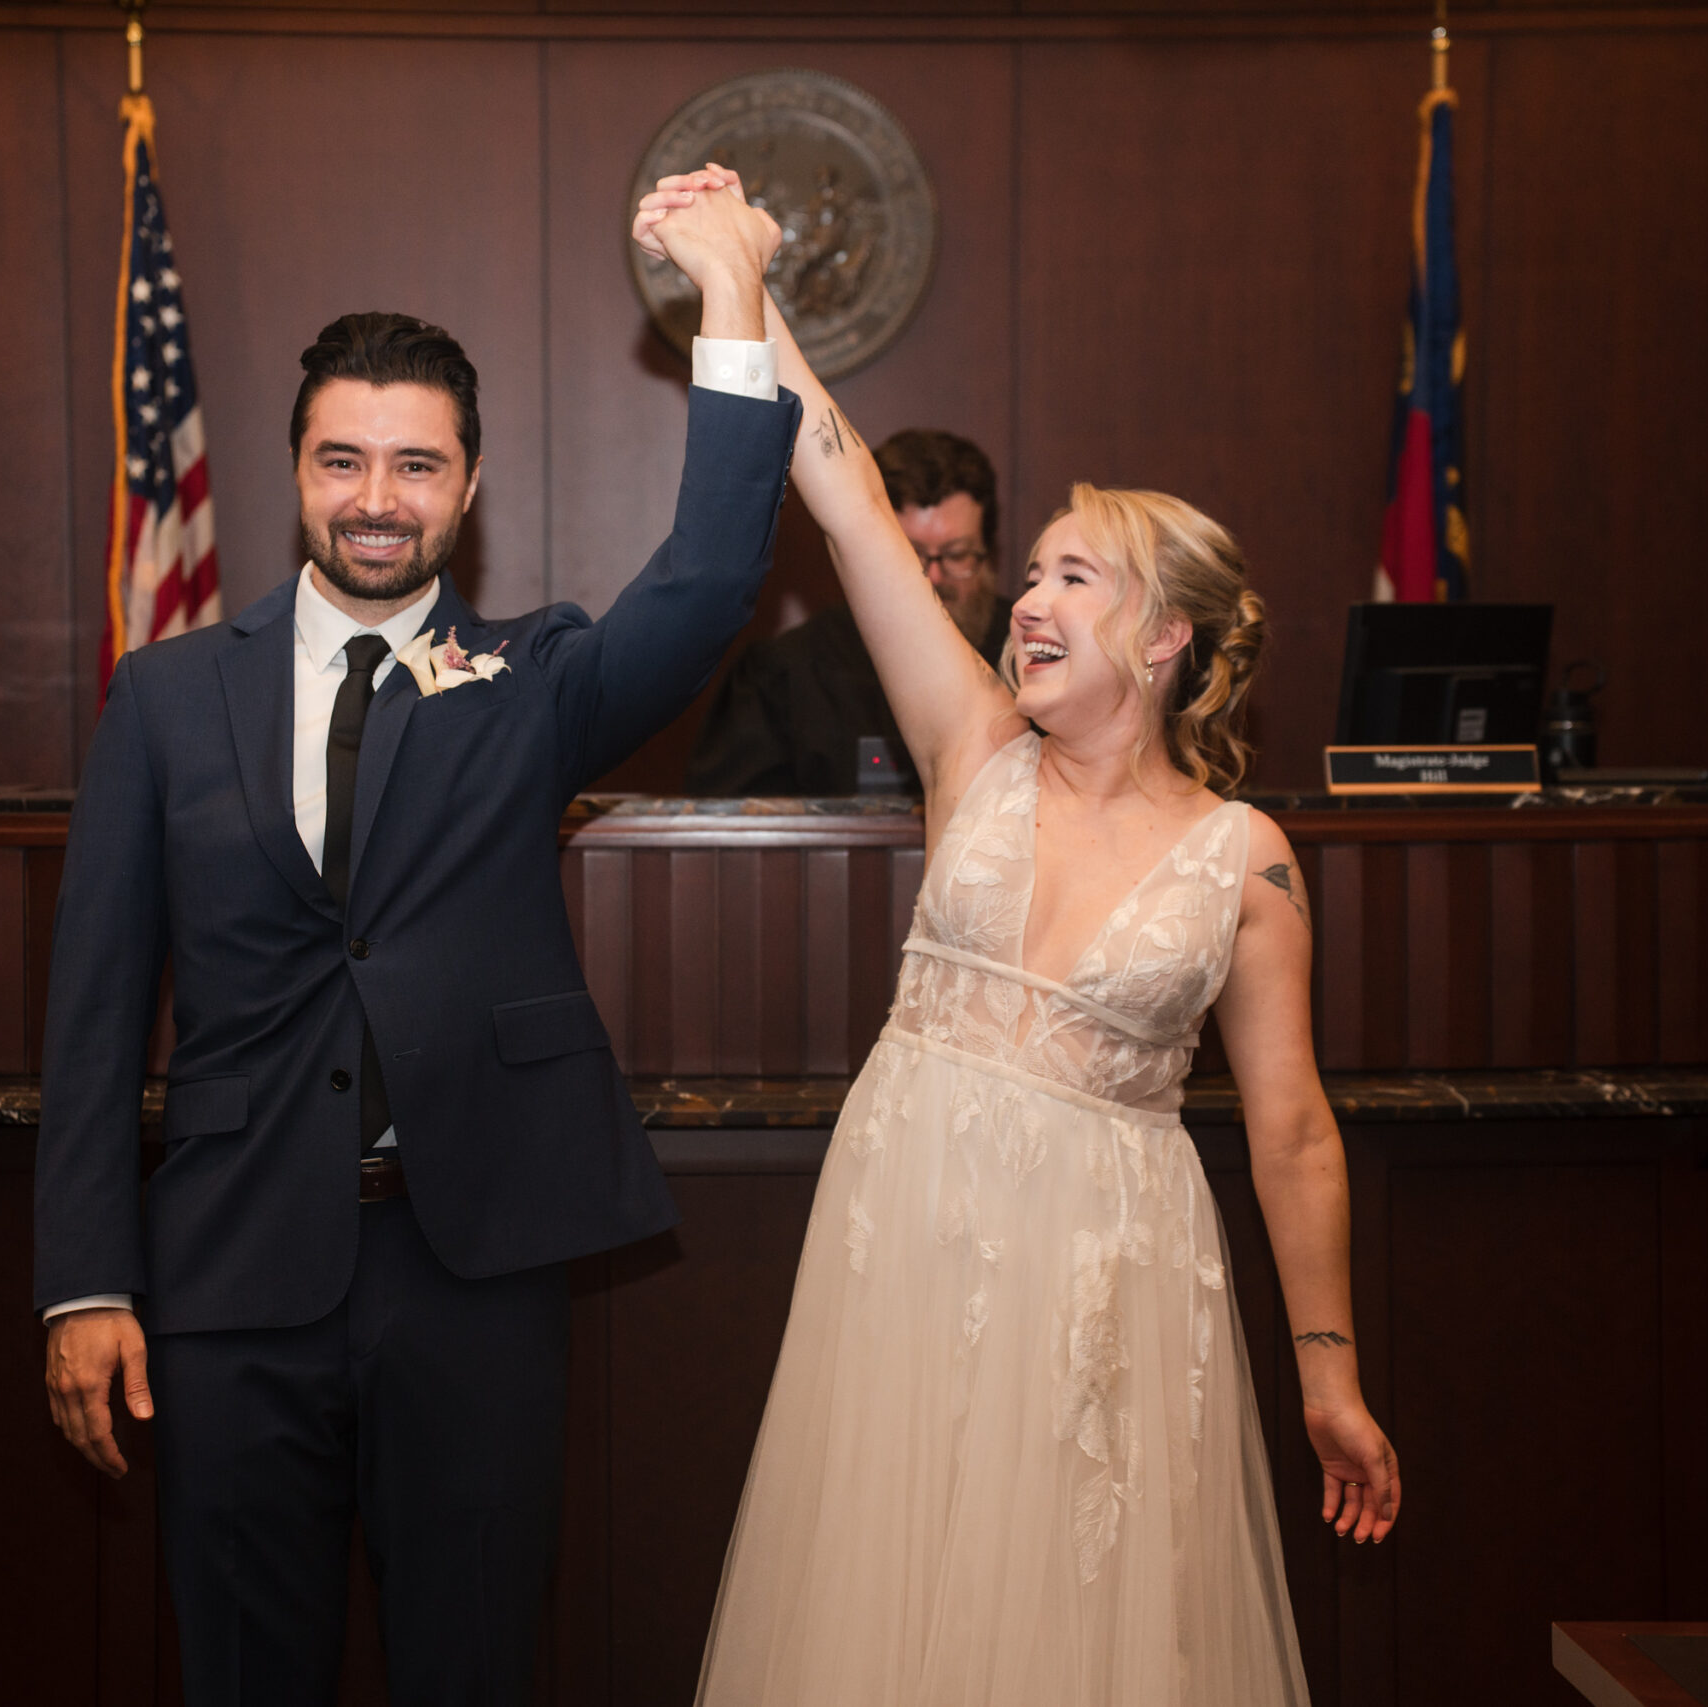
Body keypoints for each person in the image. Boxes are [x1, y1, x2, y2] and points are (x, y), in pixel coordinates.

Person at [638, 173, 1401, 1707]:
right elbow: (843, 485)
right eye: (1031, 568)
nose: (1026, 596)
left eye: (1072, 574)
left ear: (1167, 636)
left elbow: (1297, 1132)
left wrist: (1328, 1371)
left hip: (1109, 1267)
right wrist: (745, 273)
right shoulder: (970, 741)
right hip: (912, 1225)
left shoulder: (1244, 859)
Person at [34, 180, 796, 1707]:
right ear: (297, 472)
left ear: (470, 485)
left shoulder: (532, 679)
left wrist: (732, 294)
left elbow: (713, 580)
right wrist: (83, 1281)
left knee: (472, 1663)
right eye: (343, 459)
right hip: (232, 1269)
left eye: (416, 464)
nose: (377, 494)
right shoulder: (170, 696)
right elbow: (96, 1013)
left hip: (477, 1264)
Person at [686, 428, 1011, 796]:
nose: (934, 577)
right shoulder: (785, 675)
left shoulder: (1033, 657)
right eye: (910, 555)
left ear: (988, 555)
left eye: (957, 555)